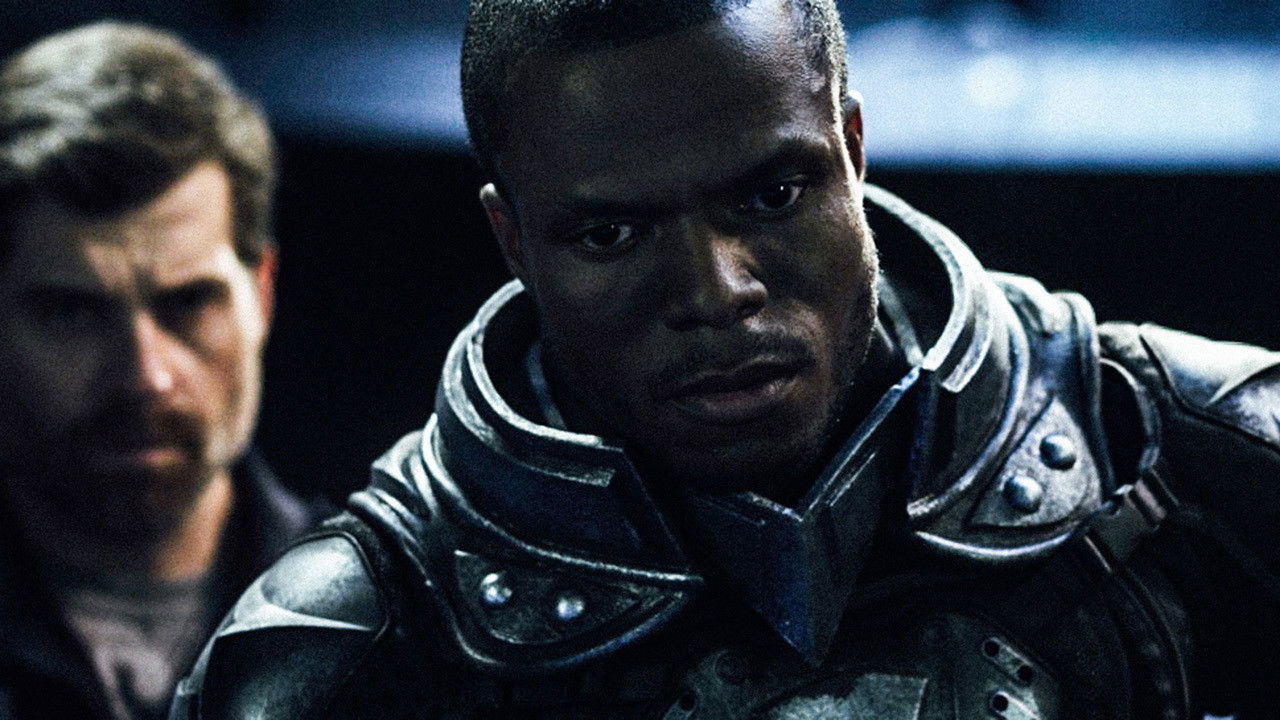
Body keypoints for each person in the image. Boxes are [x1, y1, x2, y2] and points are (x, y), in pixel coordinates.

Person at [175, 0, 1280, 717]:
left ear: (851, 151)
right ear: (514, 241)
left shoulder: (1183, 452)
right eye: (612, 233)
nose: (713, 293)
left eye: (771, 195)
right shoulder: (356, 638)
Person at [0, 22, 322, 720]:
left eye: (189, 304)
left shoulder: (396, 624)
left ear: (261, 294)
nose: (146, 377)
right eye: (72, 312)